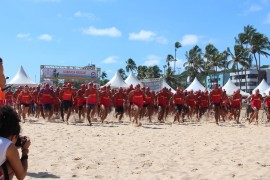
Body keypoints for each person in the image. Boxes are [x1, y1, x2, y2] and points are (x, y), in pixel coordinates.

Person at [0, 105, 31, 180]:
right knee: (11, 166)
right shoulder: (8, 146)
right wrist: (24, 150)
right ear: (14, 136)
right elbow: (21, 176)